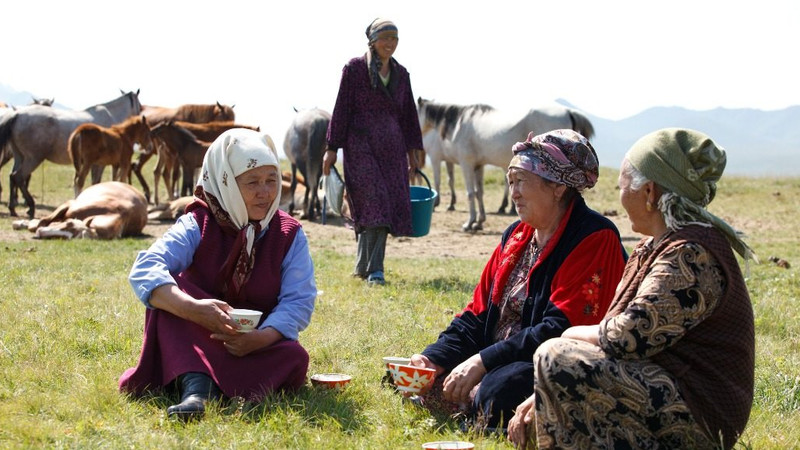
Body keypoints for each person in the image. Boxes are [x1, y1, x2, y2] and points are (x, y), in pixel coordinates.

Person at [509, 128, 756, 449]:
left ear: (650, 192)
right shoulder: (655, 247)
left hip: (701, 417)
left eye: (623, 185)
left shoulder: (691, 253)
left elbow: (627, 337)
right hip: (668, 389)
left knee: (557, 354)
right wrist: (540, 393)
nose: (620, 195)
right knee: (549, 383)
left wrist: (566, 337)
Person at [409, 129, 627, 429]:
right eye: (511, 182)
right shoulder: (516, 235)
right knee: (424, 375)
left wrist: (481, 362)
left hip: (553, 361)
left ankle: (475, 400)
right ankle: (462, 394)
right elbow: (477, 314)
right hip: (501, 354)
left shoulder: (594, 237)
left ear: (558, 187)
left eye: (521, 182)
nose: (514, 193)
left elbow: (559, 329)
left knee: (498, 392)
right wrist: (433, 358)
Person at [119, 128, 316, 421]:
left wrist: (260, 338)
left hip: (253, 342)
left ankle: (210, 382)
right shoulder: (199, 222)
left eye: (272, 180)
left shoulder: (288, 234)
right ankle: (198, 390)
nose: (265, 192)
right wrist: (194, 309)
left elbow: (298, 300)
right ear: (227, 184)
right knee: (170, 299)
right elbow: (147, 268)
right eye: (252, 182)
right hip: (196, 333)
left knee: (294, 356)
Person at [322, 17, 424, 286]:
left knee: (383, 206)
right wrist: (332, 147)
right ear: (372, 40)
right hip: (360, 146)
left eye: (395, 39)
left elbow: (409, 115)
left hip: (393, 148)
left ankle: (364, 267)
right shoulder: (354, 69)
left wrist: (414, 150)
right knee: (374, 202)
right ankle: (375, 270)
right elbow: (341, 108)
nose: (390, 44)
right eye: (385, 38)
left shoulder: (401, 74)